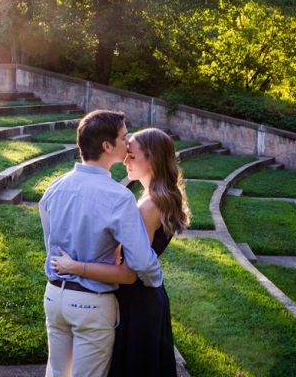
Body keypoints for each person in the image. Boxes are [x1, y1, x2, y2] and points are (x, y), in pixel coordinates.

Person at [51, 127, 191, 377]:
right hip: (145, 298)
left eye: (133, 156)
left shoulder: (149, 205)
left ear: (153, 160)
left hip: (137, 301)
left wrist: (76, 267)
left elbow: (130, 271)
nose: (126, 160)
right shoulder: (160, 197)